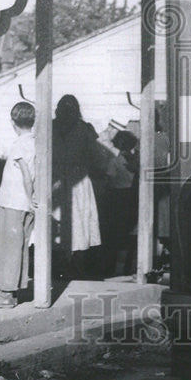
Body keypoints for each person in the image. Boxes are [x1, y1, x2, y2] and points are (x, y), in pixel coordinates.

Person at [0, 102, 36, 309]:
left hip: (14, 201)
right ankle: (12, 290)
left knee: (8, 247)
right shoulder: (35, 142)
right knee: (18, 246)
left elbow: (26, 176)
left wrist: (30, 199)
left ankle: (5, 293)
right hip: (22, 203)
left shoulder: (20, 144)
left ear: (13, 122)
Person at [51, 95, 102, 279]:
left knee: (62, 221)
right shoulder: (84, 129)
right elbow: (97, 157)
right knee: (78, 222)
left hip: (60, 180)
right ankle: (74, 267)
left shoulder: (51, 127)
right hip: (74, 180)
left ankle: (62, 266)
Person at [96, 129, 138, 277]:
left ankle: (114, 268)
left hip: (117, 197)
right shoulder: (136, 161)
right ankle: (128, 266)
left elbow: (109, 180)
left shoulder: (115, 161)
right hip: (132, 196)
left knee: (115, 234)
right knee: (129, 233)